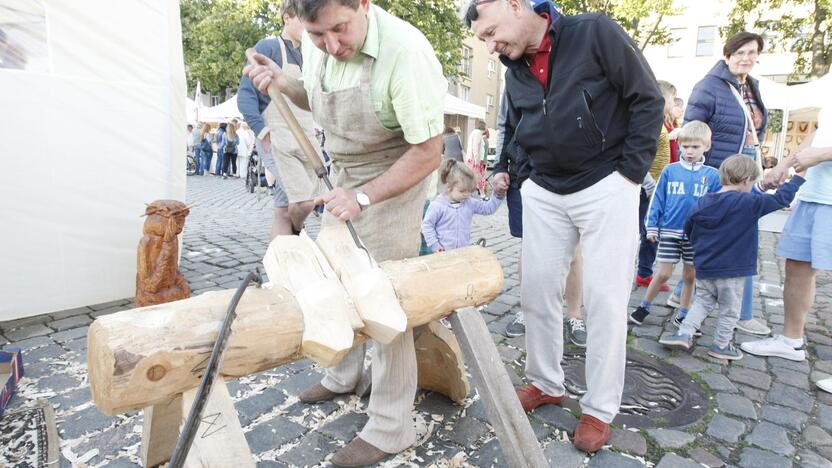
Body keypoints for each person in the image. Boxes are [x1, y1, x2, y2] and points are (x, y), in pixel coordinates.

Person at [244, 0, 447, 464]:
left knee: (385, 301)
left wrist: (365, 197)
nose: (331, 45)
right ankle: (344, 375)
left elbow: (429, 152)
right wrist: (281, 80)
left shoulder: (405, 52)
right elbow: (315, 95)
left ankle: (392, 426)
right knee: (334, 279)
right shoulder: (318, 46)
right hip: (343, 177)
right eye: (317, 36)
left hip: (396, 176)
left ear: (363, 4)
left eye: (340, 29)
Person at [465, 0, 664, 453]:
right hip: (544, 190)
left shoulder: (594, 33)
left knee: (605, 300)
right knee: (536, 290)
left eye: (493, 31)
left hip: (606, 185)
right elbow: (515, 123)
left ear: (515, 5)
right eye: (484, 40)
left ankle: (598, 408)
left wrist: (628, 175)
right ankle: (545, 381)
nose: (492, 45)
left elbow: (647, 99)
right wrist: (512, 168)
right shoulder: (511, 64)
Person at [661, 155, 804, 359]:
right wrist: (797, 178)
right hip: (733, 270)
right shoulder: (749, 202)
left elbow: (689, 228)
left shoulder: (704, 201)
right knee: (730, 310)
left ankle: (684, 333)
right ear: (746, 179)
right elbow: (781, 199)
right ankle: (721, 345)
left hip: (706, 268)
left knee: (701, 302)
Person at [680, 31, 771, 335]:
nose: (746, 57)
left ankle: (685, 292)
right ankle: (740, 313)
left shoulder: (751, 87)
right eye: (740, 52)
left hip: (747, 169)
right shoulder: (710, 86)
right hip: (721, 172)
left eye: (752, 52)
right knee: (738, 240)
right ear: (727, 54)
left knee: (719, 239)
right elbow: (692, 130)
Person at [740, 101, 832, 370]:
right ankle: (791, 340)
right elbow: (821, 132)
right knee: (798, 265)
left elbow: (822, 147)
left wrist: (824, 154)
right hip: (816, 193)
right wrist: (785, 164)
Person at [495, 93, 587, 346]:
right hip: (526, 173)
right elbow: (506, 123)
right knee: (529, 247)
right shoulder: (516, 72)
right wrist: (500, 166)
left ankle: (573, 315)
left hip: (573, 172)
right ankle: (527, 311)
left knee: (574, 250)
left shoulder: (575, 60)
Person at [238, 0, 323, 238]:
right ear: (287, 17)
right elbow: (245, 96)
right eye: (303, 20)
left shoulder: (309, 55)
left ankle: (282, 261)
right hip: (277, 138)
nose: (309, 26)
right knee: (304, 200)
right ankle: (296, 233)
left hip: (304, 139)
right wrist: (262, 133)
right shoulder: (268, 47)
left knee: (283, 208)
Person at [629, 122, 722, 326]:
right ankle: (644, 306)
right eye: (685, 146)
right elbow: (658, 200)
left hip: (695, 236)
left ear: (706, 146)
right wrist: (651, 226)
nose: (689, 151)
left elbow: (716, 206)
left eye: (695, 147)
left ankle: (683, 312)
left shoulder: (713, 176)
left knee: (690, 276)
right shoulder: (670, 171)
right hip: (670, 231)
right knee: (663, 273)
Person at [635, 80, 678, 289]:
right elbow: (640, 157)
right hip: (648, 188)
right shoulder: (652, 121)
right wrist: (651, 187)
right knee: (649, 231)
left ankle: (645, 271)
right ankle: (644, 272)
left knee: (651, 230)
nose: (674, 102)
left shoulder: (661, 121)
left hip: (656, 185)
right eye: (672, 97)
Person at [421, 159, 505, 252]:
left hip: (462, 252)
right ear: (449, 186)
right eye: (462, 191)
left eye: (470, 190)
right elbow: (427, 225)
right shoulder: (438, 205)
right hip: (442, 253)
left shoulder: (469, 203)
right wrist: (435, 245)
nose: (467, 194)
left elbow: (488, 208)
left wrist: (498, 195)